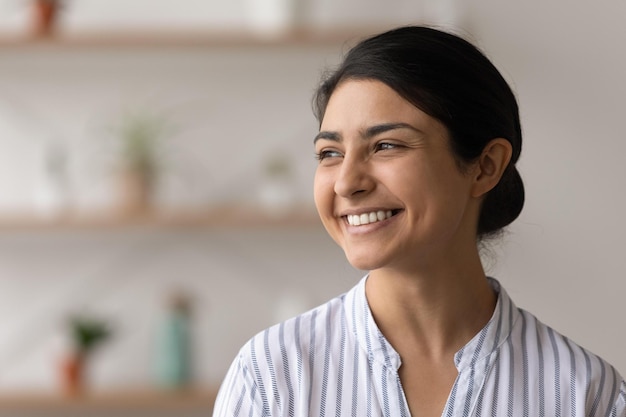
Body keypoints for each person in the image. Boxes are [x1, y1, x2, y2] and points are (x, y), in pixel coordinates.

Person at [213, 26, 625, 417]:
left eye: (386, 145)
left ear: (484, 166)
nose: (347, 183)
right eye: (329, 153)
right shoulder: (270, 377)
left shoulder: (585, 393)